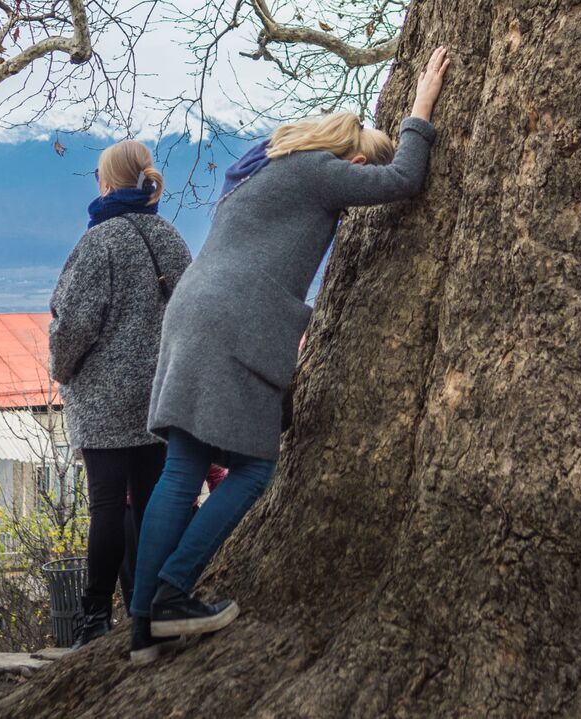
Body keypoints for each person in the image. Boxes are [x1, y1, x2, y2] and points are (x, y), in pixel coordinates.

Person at [128, 47, 451, 664]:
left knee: (181, 470)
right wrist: (420, 109)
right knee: (253, 469)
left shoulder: (262, 167)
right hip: (236, 323)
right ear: (352, 156)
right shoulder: (320, 171)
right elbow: (404, 181)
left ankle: (145, 626)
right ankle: (172, 593)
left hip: (193, 312)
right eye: (358, 167)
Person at [48, 139, 191, 649]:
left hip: (104, 400)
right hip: (158, 394)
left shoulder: (99, 243)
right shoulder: (171, 239)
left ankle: (92, 620)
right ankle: (146, 608)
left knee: (107, 507)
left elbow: (73, 326)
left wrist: (63, 372)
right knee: (152, 504)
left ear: (106, 184)